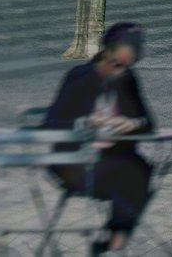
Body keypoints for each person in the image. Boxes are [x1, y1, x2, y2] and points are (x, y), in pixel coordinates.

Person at [41, 23, 154, 252]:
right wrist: (84, 122)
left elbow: (149, 122)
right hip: (74, 162)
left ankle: (116, 235)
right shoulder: (78, 77)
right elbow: (50, 123)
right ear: (106, 53)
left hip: (114, 158)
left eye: (125, 65)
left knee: (141, 169)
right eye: (116, 63)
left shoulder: (128, 80)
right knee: (130, 176)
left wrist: (132, 123)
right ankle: (116, 236)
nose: (119, 70)